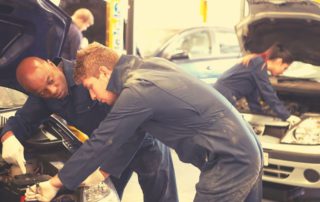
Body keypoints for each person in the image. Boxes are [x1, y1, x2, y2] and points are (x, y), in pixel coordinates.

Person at [26, 42, 263, 202]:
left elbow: (102, 141)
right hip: (244, 149)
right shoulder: (148, 69)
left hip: (231, 160)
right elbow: (133, 134)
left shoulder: (137, 92)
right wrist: (101, 172)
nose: (92, 95)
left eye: (90, 87)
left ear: (103, 73)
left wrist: (56, 184)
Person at [1, 56, 178, 201]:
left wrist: (102, 170)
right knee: (107, 197)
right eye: (42, 92)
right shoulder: (43, 95)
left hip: (144, 142)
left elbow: (133, 125)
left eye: (51, 81)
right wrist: (7, 137)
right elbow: (22, 121)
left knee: (161, 197)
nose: (52, 90)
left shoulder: (88, 73)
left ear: (50, 64)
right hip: (106, 149)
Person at [213, 43, 301, 125]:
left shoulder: (257, 65)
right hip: (223, 95)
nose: (282, 72)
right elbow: (268, 92)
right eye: (285, 68)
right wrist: (286, 115)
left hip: (221, 94)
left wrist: (259, 114)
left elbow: (252, 95)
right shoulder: (258, 65)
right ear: (279, 61)